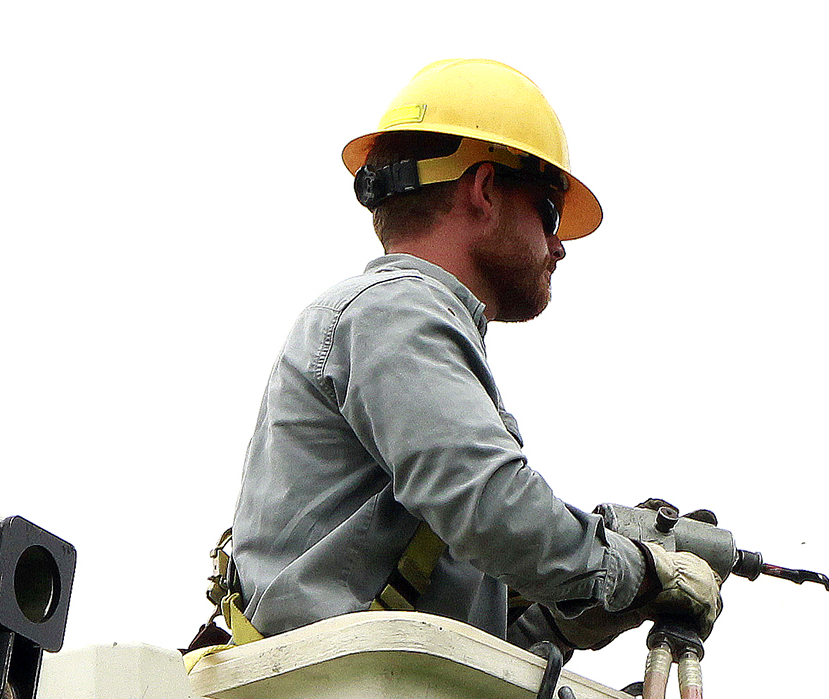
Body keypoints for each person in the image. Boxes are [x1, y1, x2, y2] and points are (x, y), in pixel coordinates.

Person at [200, 58, 719, 653]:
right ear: (485, 190)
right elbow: (495, 510)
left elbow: (466, 634)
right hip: (347, 695)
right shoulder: (396, 313)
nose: (558, 246)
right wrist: (639, 572)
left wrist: (582, 611)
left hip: (379, 691)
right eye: (549, 212)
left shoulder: (406, 333)